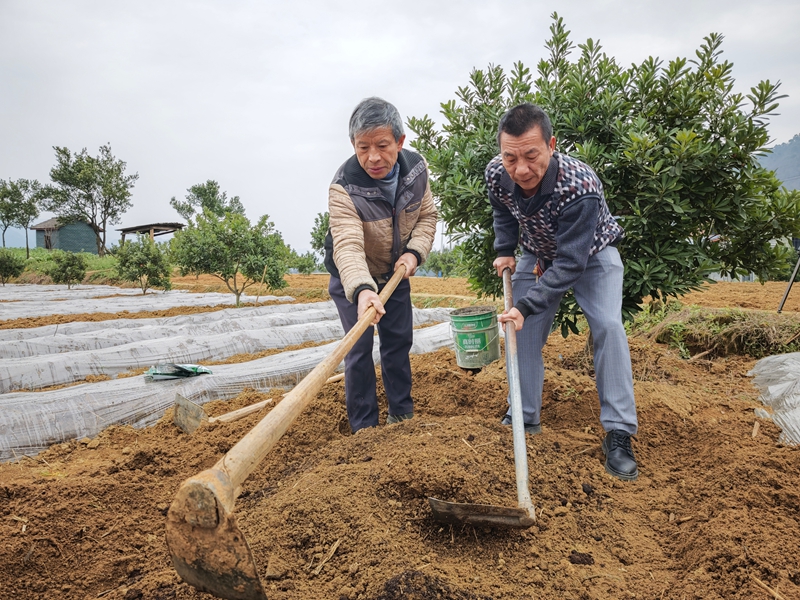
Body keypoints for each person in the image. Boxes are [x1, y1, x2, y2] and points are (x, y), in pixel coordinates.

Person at [487, 103, 639, 481]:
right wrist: (505, 248)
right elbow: (503, 210)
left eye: (531, 155)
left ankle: (618, 433)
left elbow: (570, 264)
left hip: (590, 254)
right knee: (520, 330)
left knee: (608, 326)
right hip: (537, 252)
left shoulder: (580, 186)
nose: (520, 169)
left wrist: (527, 303)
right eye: (511, 157)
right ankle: (523, 416)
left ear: (551, 145)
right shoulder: (497, 173)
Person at [324, 97, 437, 433]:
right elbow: (347, 244)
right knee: (358, 350)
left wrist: (414, 253)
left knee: (398, 341)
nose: (373, 157)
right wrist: (361, 291)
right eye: (363, 147)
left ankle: (401, 416)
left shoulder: (416, 169)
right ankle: (364, 431)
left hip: (395, 271)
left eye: (382, 145)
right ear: (353, 145)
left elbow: (427, 216)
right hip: (352, 278)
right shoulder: (343, 186)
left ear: (400, 142)